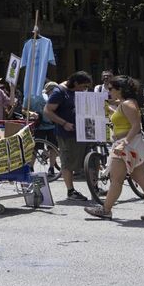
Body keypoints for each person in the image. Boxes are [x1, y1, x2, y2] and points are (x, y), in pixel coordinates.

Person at [85, 76, 144, 220]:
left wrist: (124, 142)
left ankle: (105, 209)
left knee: (116, 179)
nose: (109, 91)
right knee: (141, 179)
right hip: (129, 146)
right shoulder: (125, 103)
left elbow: (136, 126)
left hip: (126, 147)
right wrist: (108, 109)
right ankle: (106, 209)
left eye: (111, 89)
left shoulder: (128, 104)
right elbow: (124, 120)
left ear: (120, 89)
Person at [43, 71, 93, 202]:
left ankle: (95, 188)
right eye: (83, 86)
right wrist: (64, 123)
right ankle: (71, 191)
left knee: (92, 159)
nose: (84, 89)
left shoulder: (78, 91)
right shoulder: (59, 92)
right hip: (67, 134)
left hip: (84, 132)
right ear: (75, 83)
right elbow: (47, 110)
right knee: (68, 162)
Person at [27, 82, 60, 177]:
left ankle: (51, 168)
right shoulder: (36, 96)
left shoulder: (56, 98)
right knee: (36, 147)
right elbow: (24, 109)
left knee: (52, 148)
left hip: (52, 125)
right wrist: (32, 113)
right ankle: (31, 167)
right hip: (40, 125)